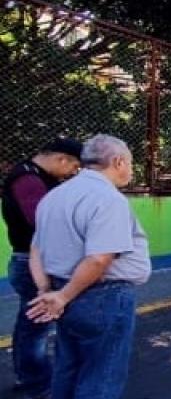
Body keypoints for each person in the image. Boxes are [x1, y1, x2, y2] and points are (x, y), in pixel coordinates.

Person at [25, 134, 151, 399]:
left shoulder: (53, 197)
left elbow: (35, 249)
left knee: (68, 366)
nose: (131, 169)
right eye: (130, 163)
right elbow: (99, 259)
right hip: (102, 298)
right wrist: (62, 296)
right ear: (117, 162)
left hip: (62, 292)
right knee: (102, 375)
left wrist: (47, 291)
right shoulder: (108, 199)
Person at [2, 137, 82, 399]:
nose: (73, 173)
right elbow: (43, 221)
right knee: (36, 326)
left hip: (33, 260)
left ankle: (28, 378)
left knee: (32, 323)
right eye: (74, 167)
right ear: (62, 159)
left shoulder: (38, 177)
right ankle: (35, 385)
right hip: (31, 263)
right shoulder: (28, 179)